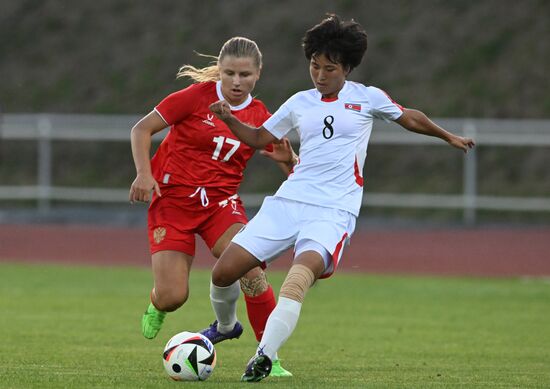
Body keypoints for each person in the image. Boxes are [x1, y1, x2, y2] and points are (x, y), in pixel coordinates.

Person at [204, 14, 476, 382]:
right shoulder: (299, 102)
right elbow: (257, 139)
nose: (319, 75)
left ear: (346, 67)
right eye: (314, 66)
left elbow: (408, 117)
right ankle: (225, 325)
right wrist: (228, 119)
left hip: (333, 211)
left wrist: (449, 137)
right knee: (223, 272)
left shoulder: (367, 98)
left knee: (298, 278)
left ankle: (264, 356)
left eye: (328, 68)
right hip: (289, 201)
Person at [129, 36, 296, 377]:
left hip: (221, 207)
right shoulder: (194, 98)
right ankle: (158, 301)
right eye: (230, 73)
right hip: (172, 204)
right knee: (173, 296)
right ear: (219, 72)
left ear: (258, 74)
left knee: (251, 270)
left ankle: (269, 358)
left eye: (245, 75)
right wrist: (144, 174)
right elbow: (141, 129)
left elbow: (293, 169)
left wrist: (290, 159)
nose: (237, 82)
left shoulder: (261, 117)